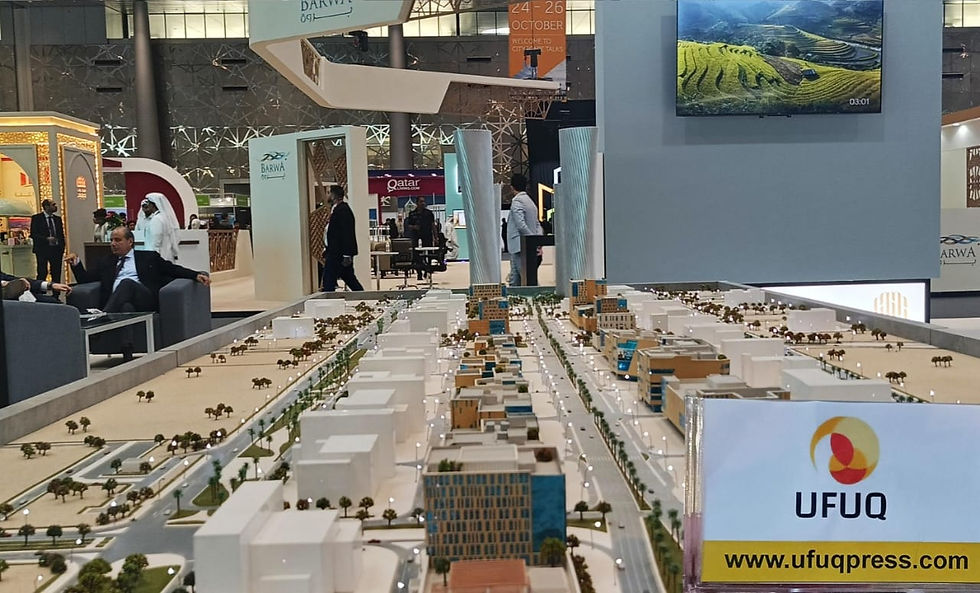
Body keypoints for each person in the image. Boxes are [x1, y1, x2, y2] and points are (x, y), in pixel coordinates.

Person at [66, 227, 210, 361]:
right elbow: (85, 279)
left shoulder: (148, 257)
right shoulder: (106, 262)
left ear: (130, 241)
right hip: (118, 302)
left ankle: (102, 320)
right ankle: (127, 351)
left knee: (126, 283)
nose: (113, 244)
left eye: (118, 240)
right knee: (126, 307)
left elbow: (172, 269)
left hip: (144, 299)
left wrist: (195, 275)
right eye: (111, 240)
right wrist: (76, 263)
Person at [321, 185, 364, 292]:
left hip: (338, 253)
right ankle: (361, 295)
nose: (327, 195)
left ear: (333, 195)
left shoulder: (343, 210)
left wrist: (347, 254)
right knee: (348, 277)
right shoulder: (336, 209)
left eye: (328, 192)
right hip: (334, 251)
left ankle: (329, 299)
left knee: (329, 280)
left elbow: (347, 233)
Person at [506, 173, 543, 287]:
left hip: (519, 245)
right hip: (525, 246)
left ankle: (539, 295)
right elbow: (537, 224)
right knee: (515, 278)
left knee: (526, 277)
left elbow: (521, 225)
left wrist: (531, 240)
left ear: (512, 187)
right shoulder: (530, 202)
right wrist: (537, 240)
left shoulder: (517, 202)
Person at [136, 193, 181, 262]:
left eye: (148, 203)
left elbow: (155, 243)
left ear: (154, 204)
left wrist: (150, 259)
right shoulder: (164, 218)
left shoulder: (156, 219)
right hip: (166, 255)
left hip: (159, 257)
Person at [30, 199, 66, 282]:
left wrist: (62, 247)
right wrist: (46, 239)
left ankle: (56, 289)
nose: (55, 207)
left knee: (56, 272)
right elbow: (33, 234)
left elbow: (61, 234)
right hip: (42, 249)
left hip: (56, 249)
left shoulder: (57, 219)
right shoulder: (37, 218)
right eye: (53, 205)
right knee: (42, 272)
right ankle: (40, 288)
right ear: (46, 207)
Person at [405, 196, 436, 281]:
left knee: (429, 253)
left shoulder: (429, 213)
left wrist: (436, 237)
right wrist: (414, 227)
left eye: (424, 201)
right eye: (421, 201)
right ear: (417, 203)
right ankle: (419, 272)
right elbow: (409, 225)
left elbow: (433, 225)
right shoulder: (412, 214)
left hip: (427, 236)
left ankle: (427, 271)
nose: (423, 203)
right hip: (416, 236)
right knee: (416, 255)